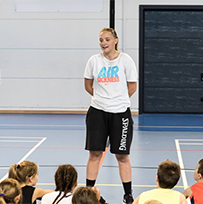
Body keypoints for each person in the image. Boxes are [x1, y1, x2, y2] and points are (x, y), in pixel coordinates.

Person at [83, 27, 137, 204]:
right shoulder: (94, 61)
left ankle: (128, 194)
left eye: (107, 39)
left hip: (120, 114)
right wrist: (103, 100)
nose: (103, 43)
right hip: (97, 112)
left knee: (122, 156)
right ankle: (89, 193)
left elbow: (132, 86)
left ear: (115, 40)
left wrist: (117, 100)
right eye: (100, 40)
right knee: (94, 154)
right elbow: (88, 85)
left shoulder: (126, 60)